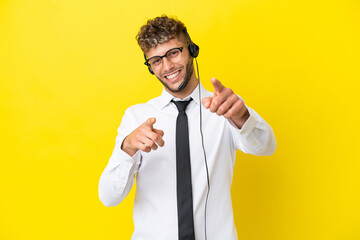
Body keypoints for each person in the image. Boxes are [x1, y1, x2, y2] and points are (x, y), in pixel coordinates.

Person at [98, 15, 277, 240]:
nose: (167, 66)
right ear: (150, 67)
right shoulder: (137, 117)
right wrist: (127, 148)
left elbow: (266, 146)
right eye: (156, 61)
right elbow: (109, 197)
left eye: (173, 53)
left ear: (191, 49)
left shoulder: (224, 106)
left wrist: (242, 117)